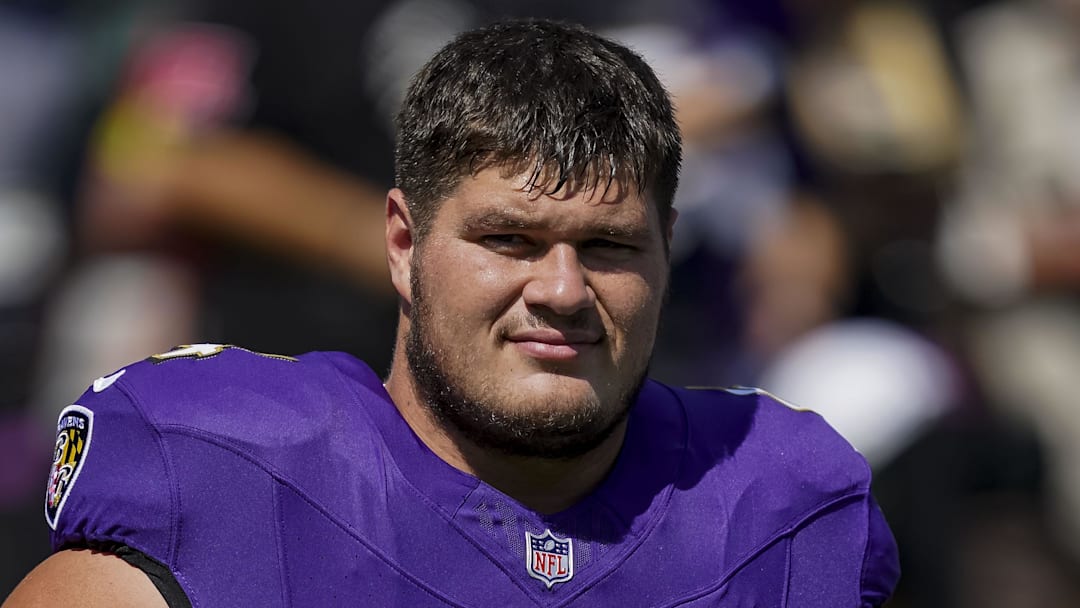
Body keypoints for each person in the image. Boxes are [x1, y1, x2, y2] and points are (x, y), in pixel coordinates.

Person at [4, 19, 898, 607]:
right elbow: (155, 154)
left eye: (609, 246)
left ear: (666, 248)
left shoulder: (785, 510)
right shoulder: (218, 481)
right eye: (508, 240)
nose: (561, 290)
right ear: (403, 242)